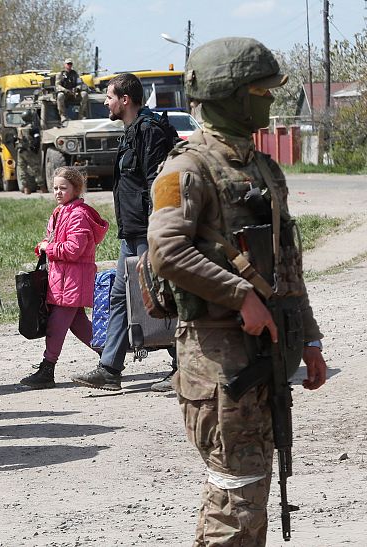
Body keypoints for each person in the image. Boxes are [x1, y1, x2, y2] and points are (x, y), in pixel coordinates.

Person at [148, 37, 328, 546]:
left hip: (266, 352)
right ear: (229, 94)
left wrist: (309, 339)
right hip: (218, 359)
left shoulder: (263, 167)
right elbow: (166, 250)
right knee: (236, 494)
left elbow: (287, 264)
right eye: (259, 90)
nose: (269, 101)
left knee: (253, 491)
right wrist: (239, 294)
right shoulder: (187, 168)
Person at [71, 72, 175, 392]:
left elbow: (158, 184)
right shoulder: (130, 132)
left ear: (125, 100)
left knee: (160, 296)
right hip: (131, 233)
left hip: (149, 232)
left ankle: (183, 367)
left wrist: (158, 229)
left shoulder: (149, 132)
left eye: (109, 97)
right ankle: (110, 369)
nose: (105, 102)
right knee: (120, 296)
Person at [20, 167, 108, 388]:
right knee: (78, 324)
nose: (58, 192)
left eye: (63, 188)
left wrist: (48, 248)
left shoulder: (79, 214)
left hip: (74, 278)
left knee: (56, 325)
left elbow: (74, 249)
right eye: (55, 188)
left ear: (76, 189)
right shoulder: (60, 211)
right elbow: (54, 241)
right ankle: (110, 358)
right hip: (62, 278)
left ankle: (47, 370)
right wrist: (44, 245)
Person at [15, 109, 45, 194]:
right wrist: (35, 149)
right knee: (36, 169)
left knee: (22, 170)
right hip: (29, 151)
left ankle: (26, 188)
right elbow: (37, 139)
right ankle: (42, 187)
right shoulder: (33, 128)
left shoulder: (19, 128)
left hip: (20, 151)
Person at [56, 59, 89, 124]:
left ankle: (81, 115)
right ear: (65, 65)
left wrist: (77, 88)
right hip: (65, 94)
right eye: (68, 64)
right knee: (60, 96)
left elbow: (80, 83)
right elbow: (57, 85)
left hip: (74, 93)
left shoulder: (75, 74)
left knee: (84, 94)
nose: (69, 65)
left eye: (70, 64)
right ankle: (62, 116)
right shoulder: (60, 74)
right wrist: (65, 90)